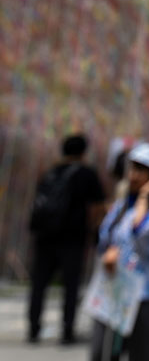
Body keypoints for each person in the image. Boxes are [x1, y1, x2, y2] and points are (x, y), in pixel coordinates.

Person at [89, 142, 149, 361]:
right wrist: (109, 252)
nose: (133, 175)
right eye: (132, 168)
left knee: (142, 353)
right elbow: (106, 235)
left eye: (140, 170)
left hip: (146, 292)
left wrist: (144, 198)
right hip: (115, 289)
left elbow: (142, 230)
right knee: (101, 352)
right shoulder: (122, 204)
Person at [27, 133, 106, 345]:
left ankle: (33, 328)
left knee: (39, 284)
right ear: (83, 152)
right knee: (70, 286)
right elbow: (98, 206)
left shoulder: (51, 172)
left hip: (45, 236)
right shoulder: (86, 174)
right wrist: (96, 230)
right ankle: (67, 330)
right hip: (72, 238)